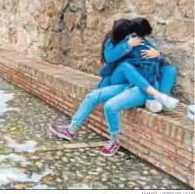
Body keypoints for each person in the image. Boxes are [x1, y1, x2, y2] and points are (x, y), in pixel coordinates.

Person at [49, 18, 178, 157]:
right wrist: (128, 45)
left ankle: (114, 141)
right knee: (92, 96)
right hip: (127, 84)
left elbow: (160, 65)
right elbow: (109, 57)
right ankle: (70, 130)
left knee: (110, 106)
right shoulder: (122, 41)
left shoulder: (144, 44)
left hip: (140, 89)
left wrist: (159, 55)